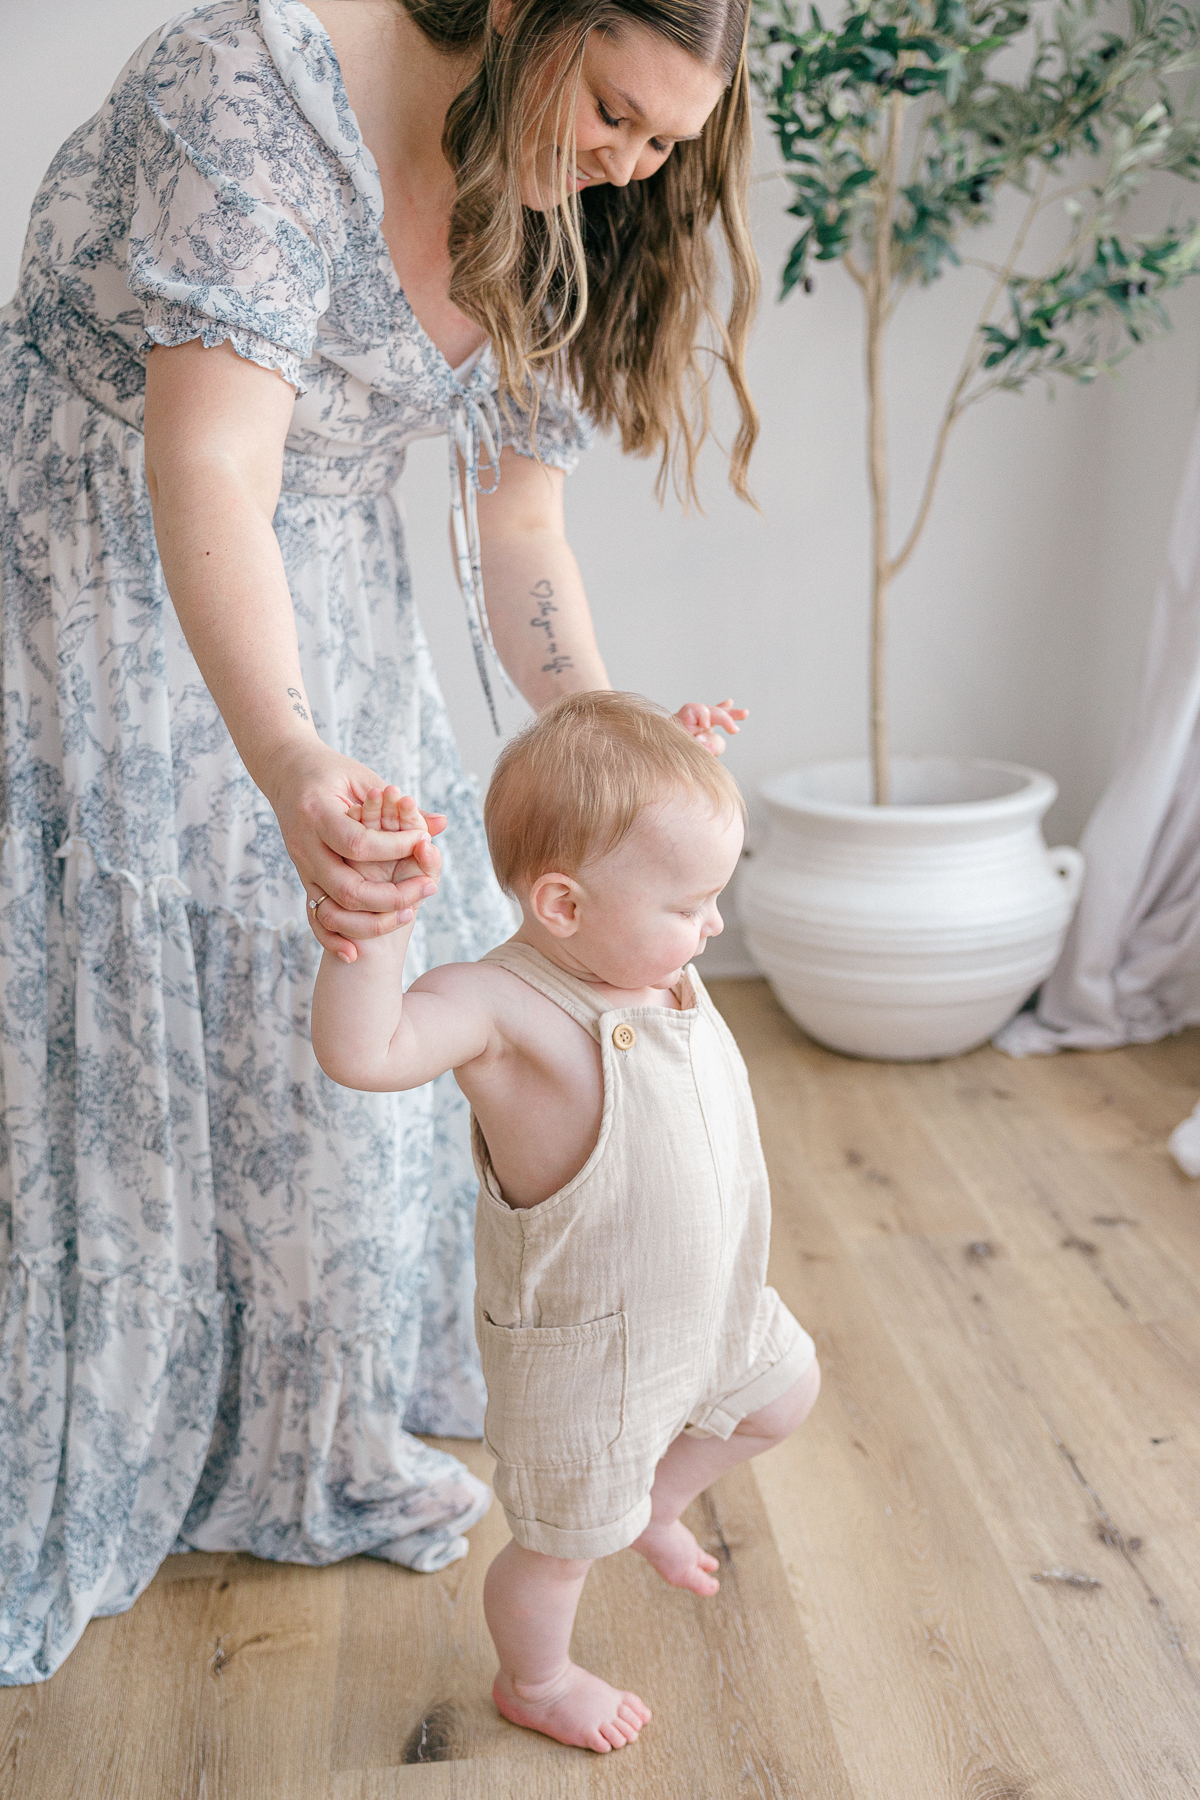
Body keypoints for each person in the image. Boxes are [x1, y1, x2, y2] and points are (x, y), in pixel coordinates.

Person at [0, 0, 761, 1684]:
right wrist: (284, 757)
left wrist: (619, 765)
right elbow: (204, 458)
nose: (625, 166)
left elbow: (519, 525)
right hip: (95, 573)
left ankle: (293, 1402)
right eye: (615, 112)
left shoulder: (555, 194)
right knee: (125, 1043)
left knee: (323, 1020)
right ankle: (131, 1408)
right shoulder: (250, 91)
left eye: (661, 143)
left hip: (328, 600)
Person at [310, 692, 820, 1753]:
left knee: (785, 1392)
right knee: (557, 1551)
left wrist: (675, 777)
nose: (712, 926)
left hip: (709, 1301)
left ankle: (655, 1505)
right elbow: (365, 1055)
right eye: (691, 903)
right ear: (564, 905)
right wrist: (374, 935)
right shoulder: (498, 1008)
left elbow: (646, 859)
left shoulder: (650, 959)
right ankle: (535, 1680)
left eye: (712, 895)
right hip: (589, 1356)